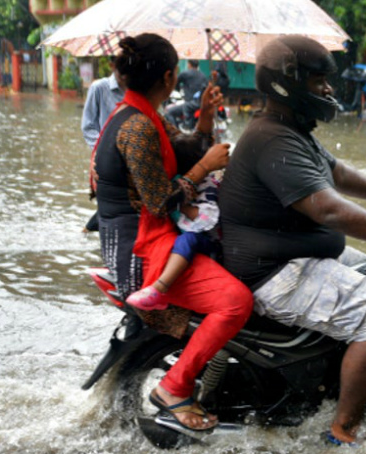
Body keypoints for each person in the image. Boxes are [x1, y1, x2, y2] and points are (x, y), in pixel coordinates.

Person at [218, 36, 366, 446]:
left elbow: (336, 173)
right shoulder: (273, 139)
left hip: (300, 254)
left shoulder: (290, 130)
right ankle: (343, 428)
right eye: (318, 81)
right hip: (277, 271)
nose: (327, 90)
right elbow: (330, 210)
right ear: (288, 83)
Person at [92, 33, 251, 433]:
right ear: (167, 77)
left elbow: (182, 149)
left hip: (155, 235)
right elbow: (160, 201)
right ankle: (175, 386)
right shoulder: (136, 127)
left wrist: (205, 119)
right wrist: (203, 169)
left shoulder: (142, 114)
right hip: (144, 247)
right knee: (235, 301)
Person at [126, 171, 221, 311]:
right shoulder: (167, 186)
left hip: (214, 240)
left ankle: (159, 287)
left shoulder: (210, 182)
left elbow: (207, 219)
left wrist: (181, 204)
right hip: (188, 234)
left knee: (188, 239)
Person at [81, 70, 125, 149]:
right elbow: (88, 126)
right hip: (106, 153)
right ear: (112, 65)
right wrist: (104, 151)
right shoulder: (98, 88)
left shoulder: (140, 90)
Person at [166, 59, 209, 128]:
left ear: (189, 64)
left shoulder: (185, 73)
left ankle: (176, 133)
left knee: (169, 113)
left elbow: (175, 83)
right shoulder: (203, 75)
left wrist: (178, 89)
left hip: (190, 104)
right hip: (200, 104)